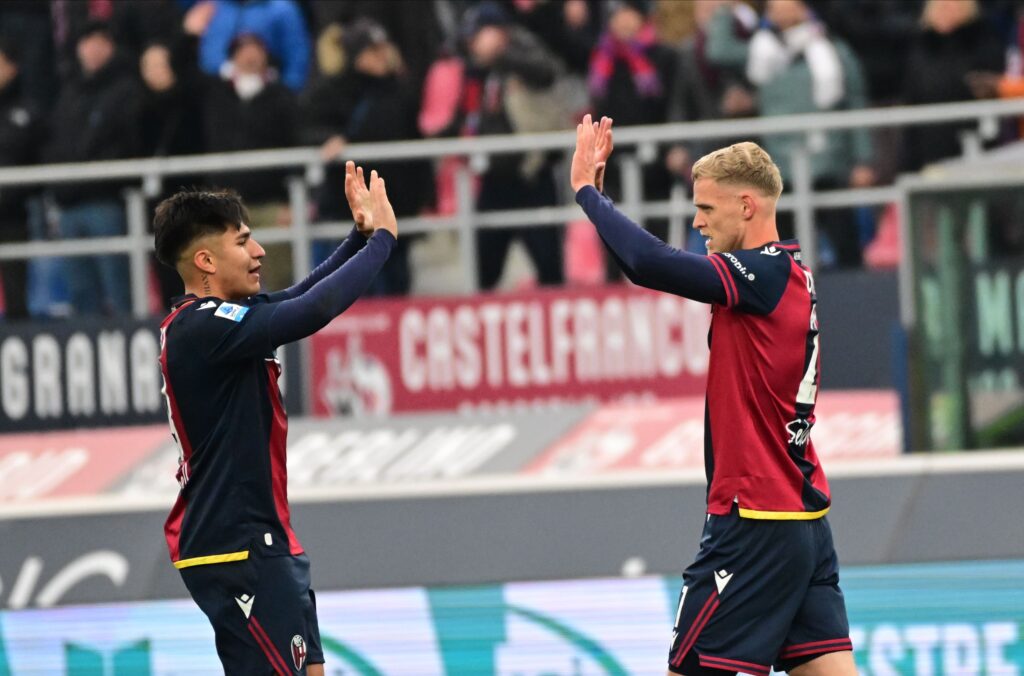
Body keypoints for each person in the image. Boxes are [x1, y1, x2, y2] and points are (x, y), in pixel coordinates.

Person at [571, 115, 854, 676]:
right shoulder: (790, 272)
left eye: (706, 209)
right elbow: (647, 264)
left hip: (752, 523)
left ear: (747, 206)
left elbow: (651, 263)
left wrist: (585, 191)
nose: (697, 223)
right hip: (802, 522)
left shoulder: (761, 275)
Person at [152, 162, 397, 674]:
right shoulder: (200, 327)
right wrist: (384, 243)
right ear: (205, 260)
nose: (259, 251)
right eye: (243, 242)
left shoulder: (219, 323)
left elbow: (294, 298)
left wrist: (359, 237)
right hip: (234, 545)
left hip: (264, 538)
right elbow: (310, 311)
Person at [44, 20, 142, 316]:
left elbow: (128, 143)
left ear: (112, 47)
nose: (93, 48)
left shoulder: (126, 89)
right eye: (87, 41)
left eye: (101, 41)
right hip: (69, 204)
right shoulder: (68, 91)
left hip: (105, 201)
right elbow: (55, 140)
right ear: (78, 48)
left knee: (119, 287)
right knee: (80, 292)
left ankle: (131, 349)